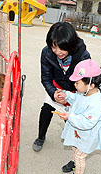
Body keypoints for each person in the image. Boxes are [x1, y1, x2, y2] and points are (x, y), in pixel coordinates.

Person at [32, 22, 91, 152]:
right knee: (47, 109)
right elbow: (46, 78)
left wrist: (71, 96)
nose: (58, 52)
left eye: (62, 48)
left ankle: (75, 141)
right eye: (54, 47)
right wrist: (54, 93)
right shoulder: (46, 53)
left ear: (70, 44)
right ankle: (41, 136)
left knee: (71, 118)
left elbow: (86, 82)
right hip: (56, 87)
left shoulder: (83, 56)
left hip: (74, 90)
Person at [56, 59, 101, 174]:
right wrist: (66, 95)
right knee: (74, 146)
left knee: (79, 156)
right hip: (78, 132)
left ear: (91, 84)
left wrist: (69, 117)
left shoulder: (96, 104)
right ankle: (74, 163)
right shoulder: (85, 92)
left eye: (77, 83)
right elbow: (77, 99)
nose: (75, 85)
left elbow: (87, 123)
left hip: (87, 135)